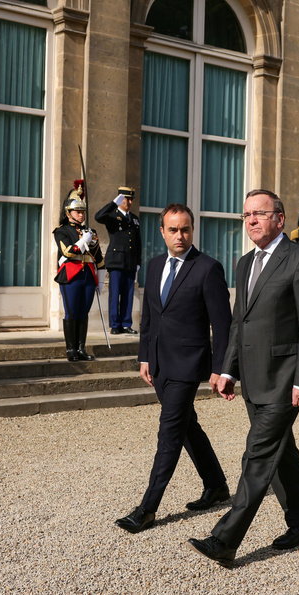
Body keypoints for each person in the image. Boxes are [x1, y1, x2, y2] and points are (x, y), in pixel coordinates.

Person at [188, 189, 299, 568]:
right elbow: (239, 322)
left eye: (259, 214)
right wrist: (227, 369)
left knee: (258, 454)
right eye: (246, 214)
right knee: (283, 453)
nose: (250, 220)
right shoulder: (245, 262)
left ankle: (224, 540)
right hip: (251, 378)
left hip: (284, 379)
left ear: (280, 219)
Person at [115, 203, 232, 533]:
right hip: (158, 364)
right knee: (186, 425)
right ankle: (217, 485)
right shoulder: (153, 266)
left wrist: (221, 367)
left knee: (168, 432)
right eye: (173, 230)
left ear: (192, 231)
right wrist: (144, 356)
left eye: (186, 229)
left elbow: (222, 325)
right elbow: (150, 317)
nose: (180, 235)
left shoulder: (208, 268)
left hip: (188, 365)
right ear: (162, 232)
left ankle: (147, 508)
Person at [53, 180, 103, 361]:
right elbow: (68, 251)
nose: (81, 215)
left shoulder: (90, 231)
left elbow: (99, 258)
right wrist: (84, 241)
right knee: (72, 312)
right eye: (77, 212)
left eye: (83, 212)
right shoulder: (62, 231)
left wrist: (94, 243)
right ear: (68, 213)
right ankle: (70, 350)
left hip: (88, 276)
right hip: (71, 275)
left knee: (84, 312)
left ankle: (81, 349)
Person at [94, 186, 141, 335]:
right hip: (116, 260)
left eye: (131, 199)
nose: (129, 202)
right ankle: (115, 324)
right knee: (115, 294)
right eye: (126, 198)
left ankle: (126, 323)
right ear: (120, 199)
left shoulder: (134, 218)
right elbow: (98, 216)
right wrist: (113, 203)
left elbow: (138, 242)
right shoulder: (112, 215)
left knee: (128, 293)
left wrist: (138, 261)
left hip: (130, 261)